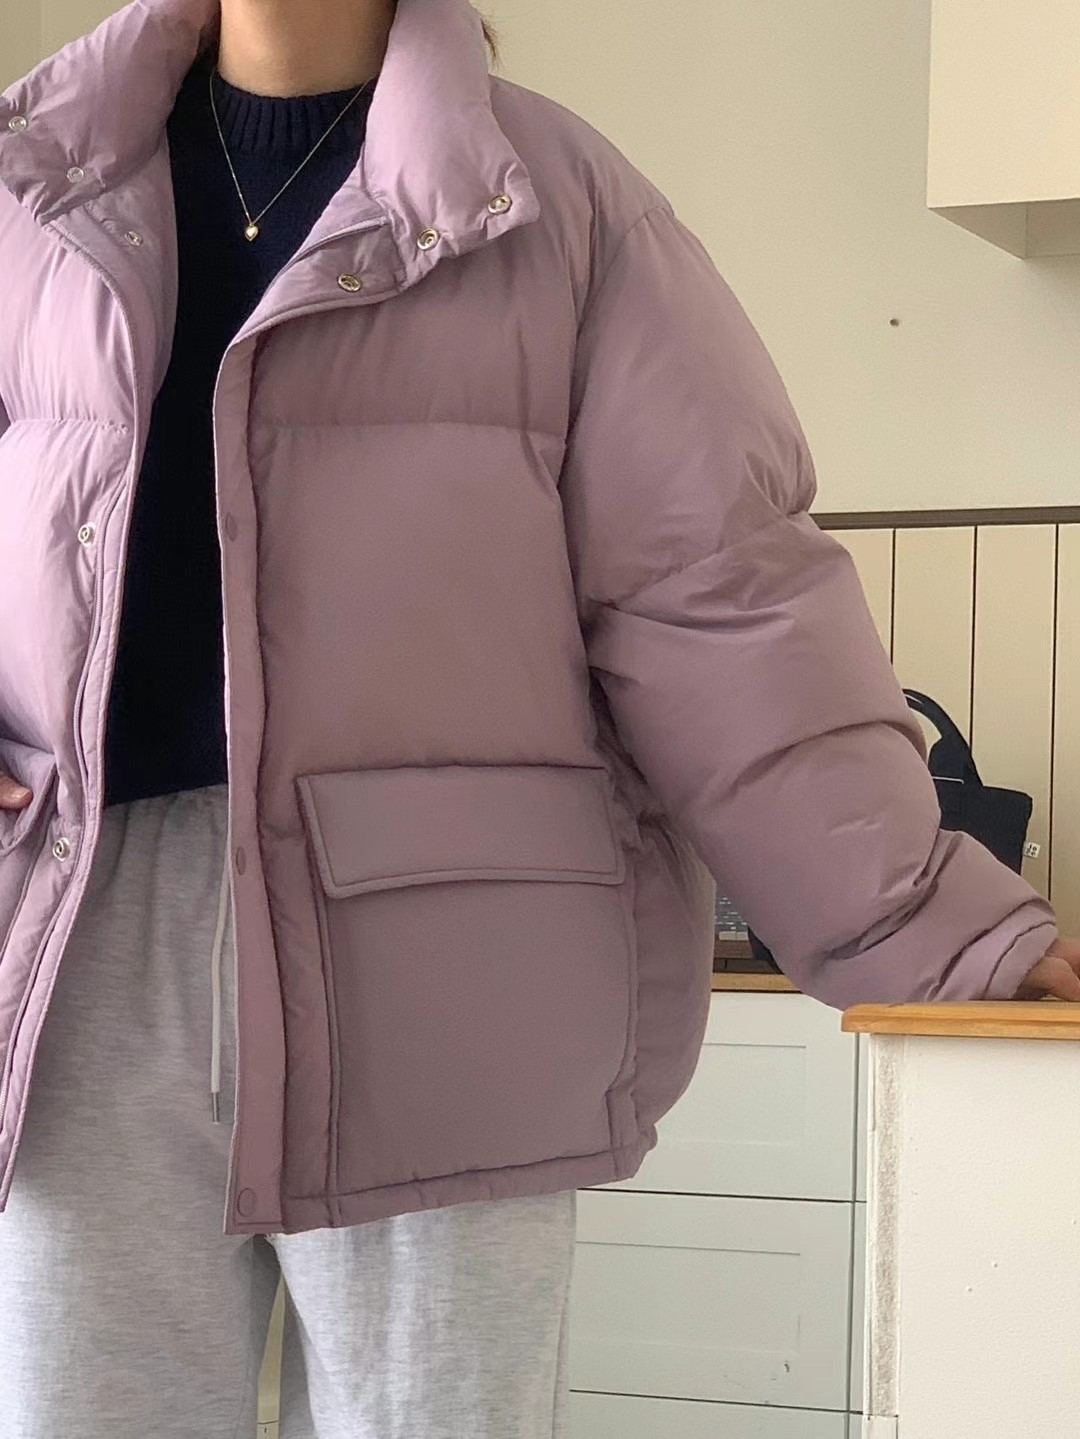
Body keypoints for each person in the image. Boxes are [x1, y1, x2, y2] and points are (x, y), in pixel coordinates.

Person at [0, 0, 1076, 1433]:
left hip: (445, 955)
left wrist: (929, 917)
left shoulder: (561, 209)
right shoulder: (34, 182)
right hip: (79, 947)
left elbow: (719, 594)